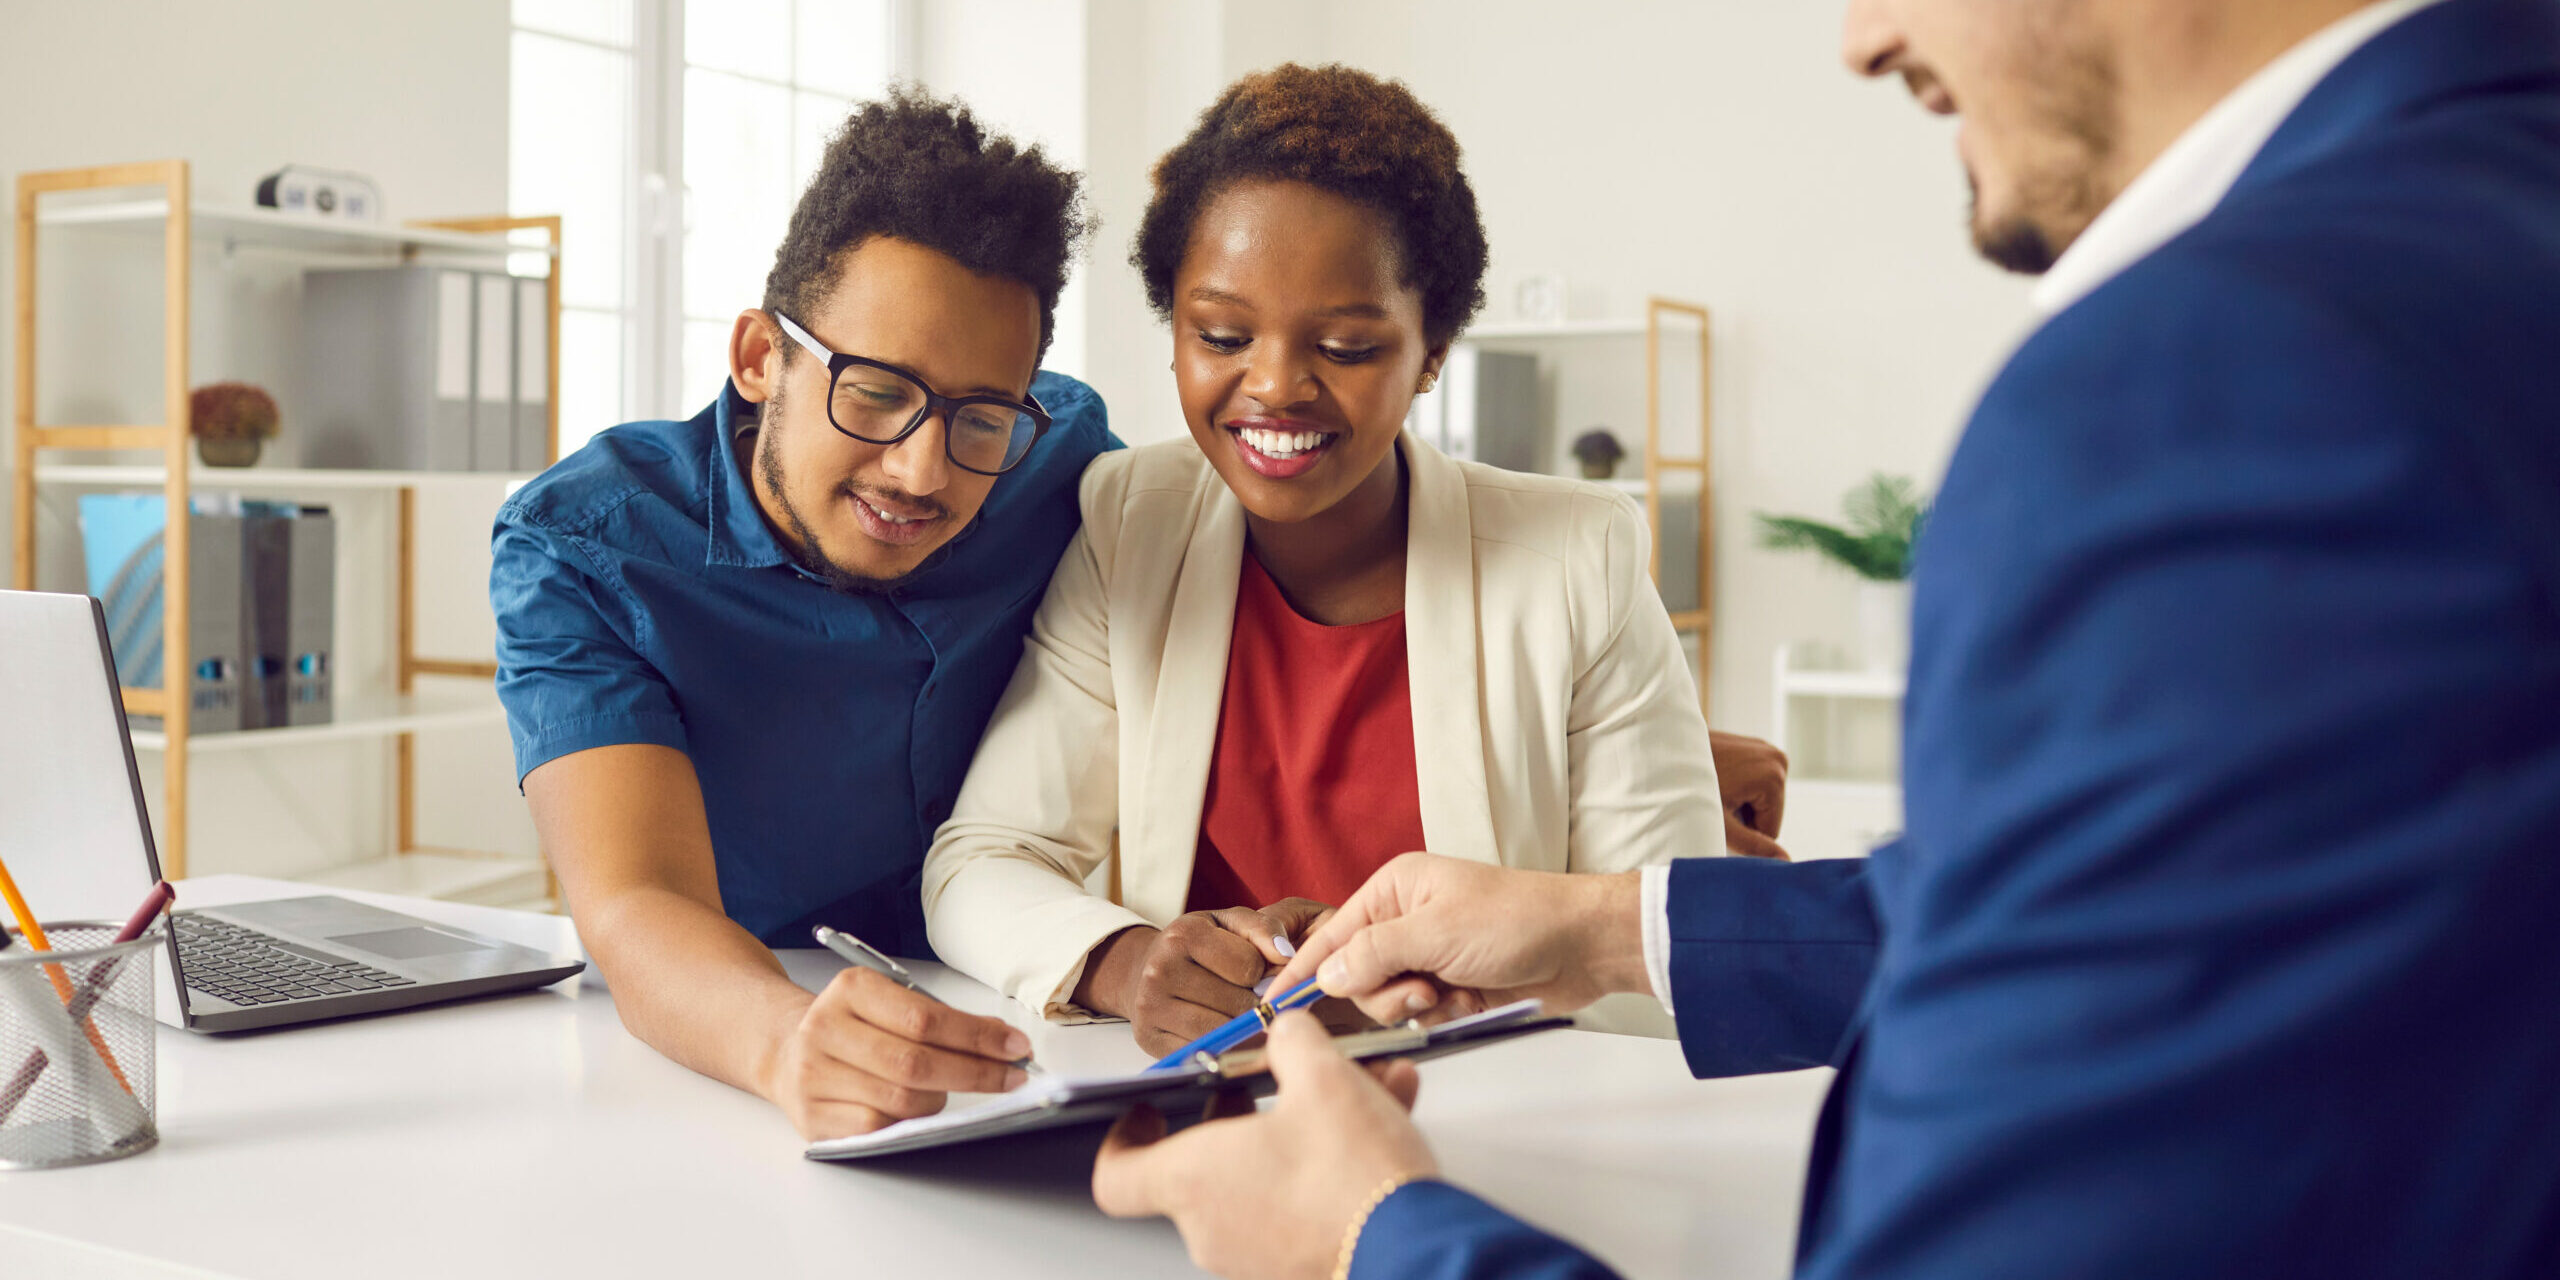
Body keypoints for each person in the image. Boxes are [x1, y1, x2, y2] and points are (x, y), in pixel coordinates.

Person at [1087, 0, 2560, 1276]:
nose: (1861, 38)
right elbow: (2214, 907)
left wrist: (1372, 1237)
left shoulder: (2223, 372)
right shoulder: (2488, 225)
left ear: (1428, 353)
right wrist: (1606, 927)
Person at [920, 65, 1783, 1057]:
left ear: (1432, 349)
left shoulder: (1574, 561)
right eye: (1221, 334)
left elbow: (1669, 967)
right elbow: (980, 861)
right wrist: (1134, 960)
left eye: (1345, 343)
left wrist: (1393, 996)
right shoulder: (1130, 521)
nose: (1277, 384)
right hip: (1199, 1122)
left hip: (1484, 1136)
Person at [491, 89, 1113, 1141]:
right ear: (757, 357)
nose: (922, 469)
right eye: (874, 391)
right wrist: (787, 1043)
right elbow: (638, 901)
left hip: (1036, 1016)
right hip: (742, 1039)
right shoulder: (584, 545)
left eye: (979, 415)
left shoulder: (1061, 455)